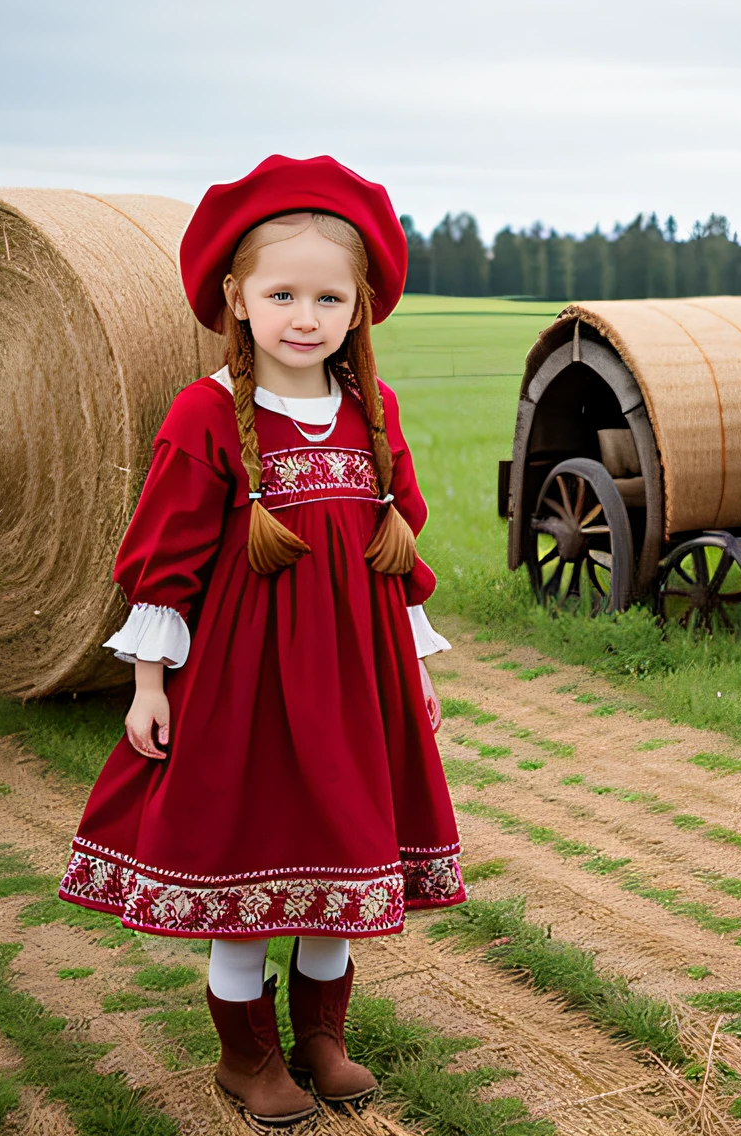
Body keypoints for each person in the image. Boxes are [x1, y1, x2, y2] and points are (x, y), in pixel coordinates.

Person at [57, 155, 465, 1124]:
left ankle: (322, 1038)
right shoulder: (204, 415)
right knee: (248, 854)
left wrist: (410, 666)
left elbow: (391, 551)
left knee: (342, 856)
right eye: (281, 292)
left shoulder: (371, 412)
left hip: (356, 681)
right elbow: (162, 560)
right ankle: (246, 1056)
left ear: (359, 306)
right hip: (243, 685)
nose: (304, 315)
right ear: (235, 297)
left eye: (329, 296)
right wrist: (148, 682)